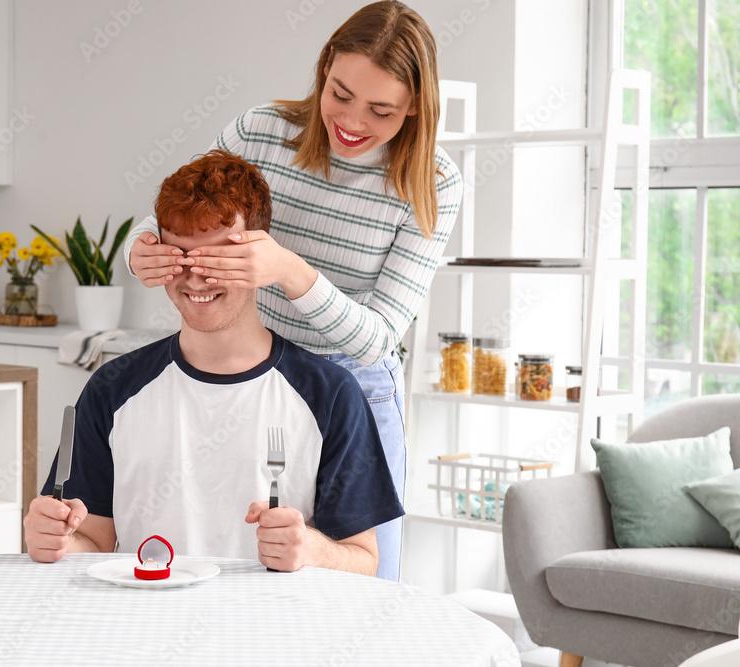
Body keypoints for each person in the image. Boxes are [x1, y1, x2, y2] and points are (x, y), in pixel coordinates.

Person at [123, 1, 462, 581]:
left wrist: (288, 269)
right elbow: (186, 208)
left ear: (416, 108)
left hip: (355, 386)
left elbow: (376, 339)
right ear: (324, 67)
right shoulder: (262, 131)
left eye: (382, 110)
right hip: (256, 377)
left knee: (366, 585)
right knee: (256, 564)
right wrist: (141, 247)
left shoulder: (430, 183)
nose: (352, 122)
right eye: (340, 94)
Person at [25, 150, 403, 576]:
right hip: (141, 624)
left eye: (218, 259)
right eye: (181, 257)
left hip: (275, 633)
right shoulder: (112, 387)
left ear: (258, 257)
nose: (196, 278)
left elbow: (366, 561)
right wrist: (56, 540)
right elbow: (92, 541)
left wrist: (310, 549)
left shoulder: (330, 394)